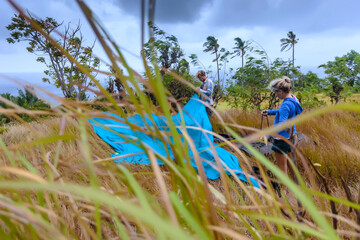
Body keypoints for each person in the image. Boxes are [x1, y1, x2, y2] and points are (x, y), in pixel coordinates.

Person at [262, 76, 303, 176]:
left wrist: (267, 134)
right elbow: (285, 112)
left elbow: (281, 125)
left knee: (281, 169)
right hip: (291, 137)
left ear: (280, 91)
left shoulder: (285, 104)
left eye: (276, 92)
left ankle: (283, 190)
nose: (276, 95)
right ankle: (297, 187)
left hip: (281, 139)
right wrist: (270, 112)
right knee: (292, 165)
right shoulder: (293, 99)